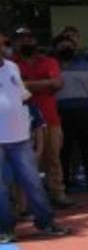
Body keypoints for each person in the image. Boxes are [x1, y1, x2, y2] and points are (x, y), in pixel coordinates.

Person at [1, 35, 70, 243]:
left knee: (33, 182)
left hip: (20, 137)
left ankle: (46, 222)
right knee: (1, 188)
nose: (5, 47)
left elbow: (24, 96)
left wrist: (35, 122)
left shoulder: (12, 67)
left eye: (5, 43)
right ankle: (4, 229)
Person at [15, 27, 68, 206]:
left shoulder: (49, 61)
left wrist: (26, 85)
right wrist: (45, 84)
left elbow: (58, 83)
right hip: (22, 122)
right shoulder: (10, 64)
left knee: (53, 158)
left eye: (29, 38)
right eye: (22, 39)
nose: (26, 42)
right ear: (16, 42)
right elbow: (14, 87)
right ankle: (24, 203)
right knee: (25, 163)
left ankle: (57, 194)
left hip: (50, 117)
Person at [53, 30, 88, 193]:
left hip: (85, 110)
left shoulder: (86, 62)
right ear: (56, 47)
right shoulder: (51, 64)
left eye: (70, 43)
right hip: (61, 112)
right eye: (62, 43)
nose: (66, 46)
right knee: (64, 150)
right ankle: (64, 184)